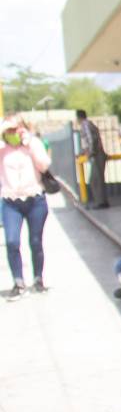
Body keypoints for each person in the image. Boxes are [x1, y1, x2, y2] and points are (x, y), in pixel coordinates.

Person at [1, 116, 52, 299]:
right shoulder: (2, 148)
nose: (13, 133)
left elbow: (44, 165)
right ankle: (18, 281)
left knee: (36, 241)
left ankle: (38, 278)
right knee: (12, 241)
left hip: (35, 199)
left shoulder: (33, 143)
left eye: (16, 128)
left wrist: (29, 144)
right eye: (10, 129)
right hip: (10, 200)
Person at [76, 109, 108, 209]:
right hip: (97, 154)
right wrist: (82, 153)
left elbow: (90, 140)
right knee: (98, 179)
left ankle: (101, 202)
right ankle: (102, 201)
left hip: (96, 155)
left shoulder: (85, 125)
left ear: (78, 117)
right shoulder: (89, 124)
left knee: (95, 180)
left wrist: (91, 153)